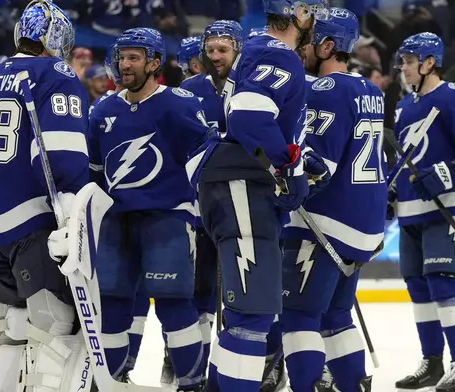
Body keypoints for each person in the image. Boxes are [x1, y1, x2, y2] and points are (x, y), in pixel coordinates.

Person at [186, 1, 330, 391]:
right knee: (253, 316)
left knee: (242, 315)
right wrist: (288, 165)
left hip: (229, 184)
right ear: (298, 14)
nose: (315, 21)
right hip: (242, 187)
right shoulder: (277, 53)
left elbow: (256, 117)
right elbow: (249, 116)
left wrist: (300, 157)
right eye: (312, 11)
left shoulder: (252, 47)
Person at [0, 1, 91, 390]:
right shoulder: (56, 73)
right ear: (56, 38)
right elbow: (61, 156)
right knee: (54, 328)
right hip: (30, 226)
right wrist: (74, 212)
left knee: (8, 324)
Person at [86, 27, 209, 391]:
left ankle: (191, 383)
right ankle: (108, 382)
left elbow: (205, 156)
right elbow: (93, 173)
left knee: (173, 307)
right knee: (112, 308)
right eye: (122, 56)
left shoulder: (180, 104)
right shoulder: (103, 109)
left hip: (167, 219)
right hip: (115, 224)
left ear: (154, 63)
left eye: (134, 57)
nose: (125, 64)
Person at [277, 8, 383, 391]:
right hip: (361, 225)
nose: (299, 48)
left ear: (326, 46)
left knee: (298, 315)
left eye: (306, 41)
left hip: (323, 224)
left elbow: (317, 165)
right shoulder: (369, 89)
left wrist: (280, 188)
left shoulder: (325, 89)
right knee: (336, 315)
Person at [390, 32, 455, 392]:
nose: (403, 68)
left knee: (444, 284)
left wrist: (451, 171)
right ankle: (431, 363)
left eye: (408, 61)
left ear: (429, 62)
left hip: (449, 206)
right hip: (412, 209)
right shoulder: (403, 107)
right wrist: (389, 190)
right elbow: (405, 161)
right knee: (418, 287)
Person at [178, 19, 243, 389]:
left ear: (237, 50)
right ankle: (197, 368)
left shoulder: (253, 85)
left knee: (242, 295)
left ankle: (262, 361)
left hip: (243, 205)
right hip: (199, 207)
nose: (215, 56)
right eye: (211, 49)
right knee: (199, 291)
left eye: (223, 49)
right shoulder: (189, 89)